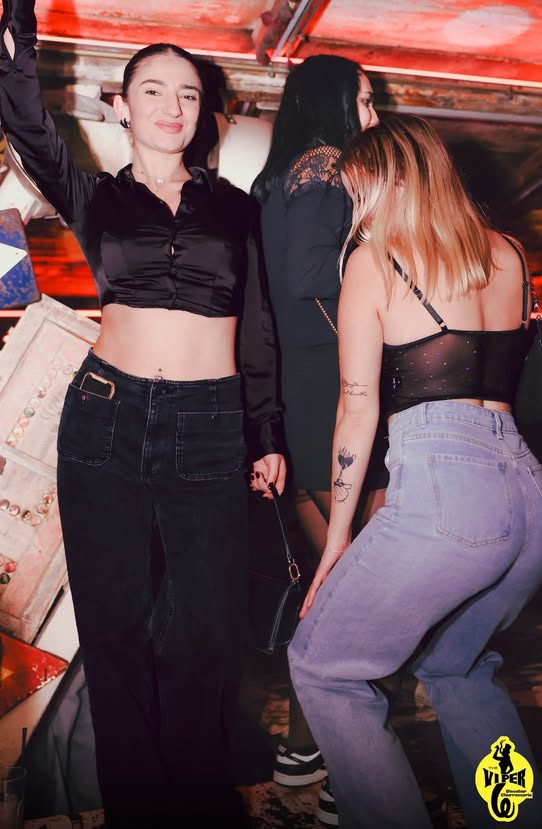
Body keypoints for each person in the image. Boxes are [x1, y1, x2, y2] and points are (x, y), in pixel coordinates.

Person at [0, 1, 286, 827]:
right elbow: (26, 124)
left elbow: (258, 325)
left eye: (188, 94)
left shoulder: (237, 208)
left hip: (210, 425)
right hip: (106, 418)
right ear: (123, 107)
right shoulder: (94, 197)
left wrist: (265, 431)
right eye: (153, 91)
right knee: (114, 629)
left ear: (203, 113)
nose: (172, 106)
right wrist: (17, 39)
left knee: (208, 634)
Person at [288, 113, 542, 829]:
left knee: (323, 668)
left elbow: (357, 407)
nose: (355, 209)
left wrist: (337, 539)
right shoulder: (509, 252)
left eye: (359, 191)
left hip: (448, 489)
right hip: (530, 498)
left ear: (392, 181)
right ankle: (518, 817)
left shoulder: (376, 259)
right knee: (457, 667)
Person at [251, 55, 388, 815]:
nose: (374, 116)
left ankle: (306, 748)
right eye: (364, 101)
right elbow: (311, 273)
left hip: (305, 391)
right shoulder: (325, 165)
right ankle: (343, 763)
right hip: (330, 391)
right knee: (356, 586)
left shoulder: (284, 177)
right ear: (333, 103)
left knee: (334, 582)